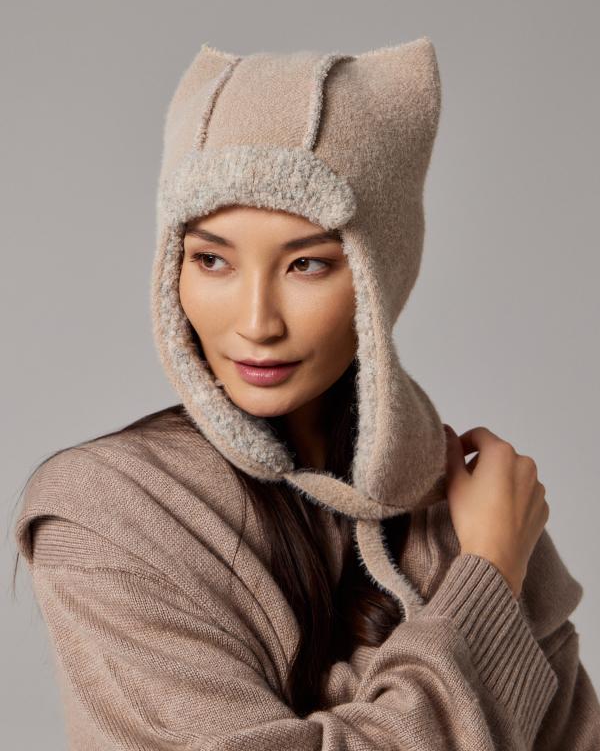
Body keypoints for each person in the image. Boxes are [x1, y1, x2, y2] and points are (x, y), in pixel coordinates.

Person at [12, 38, 600, 749]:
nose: (257, 322)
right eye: (212, 259)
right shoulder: (107, 512)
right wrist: (490, 579)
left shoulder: (470, 504)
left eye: (308, 264)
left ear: (381, 275)